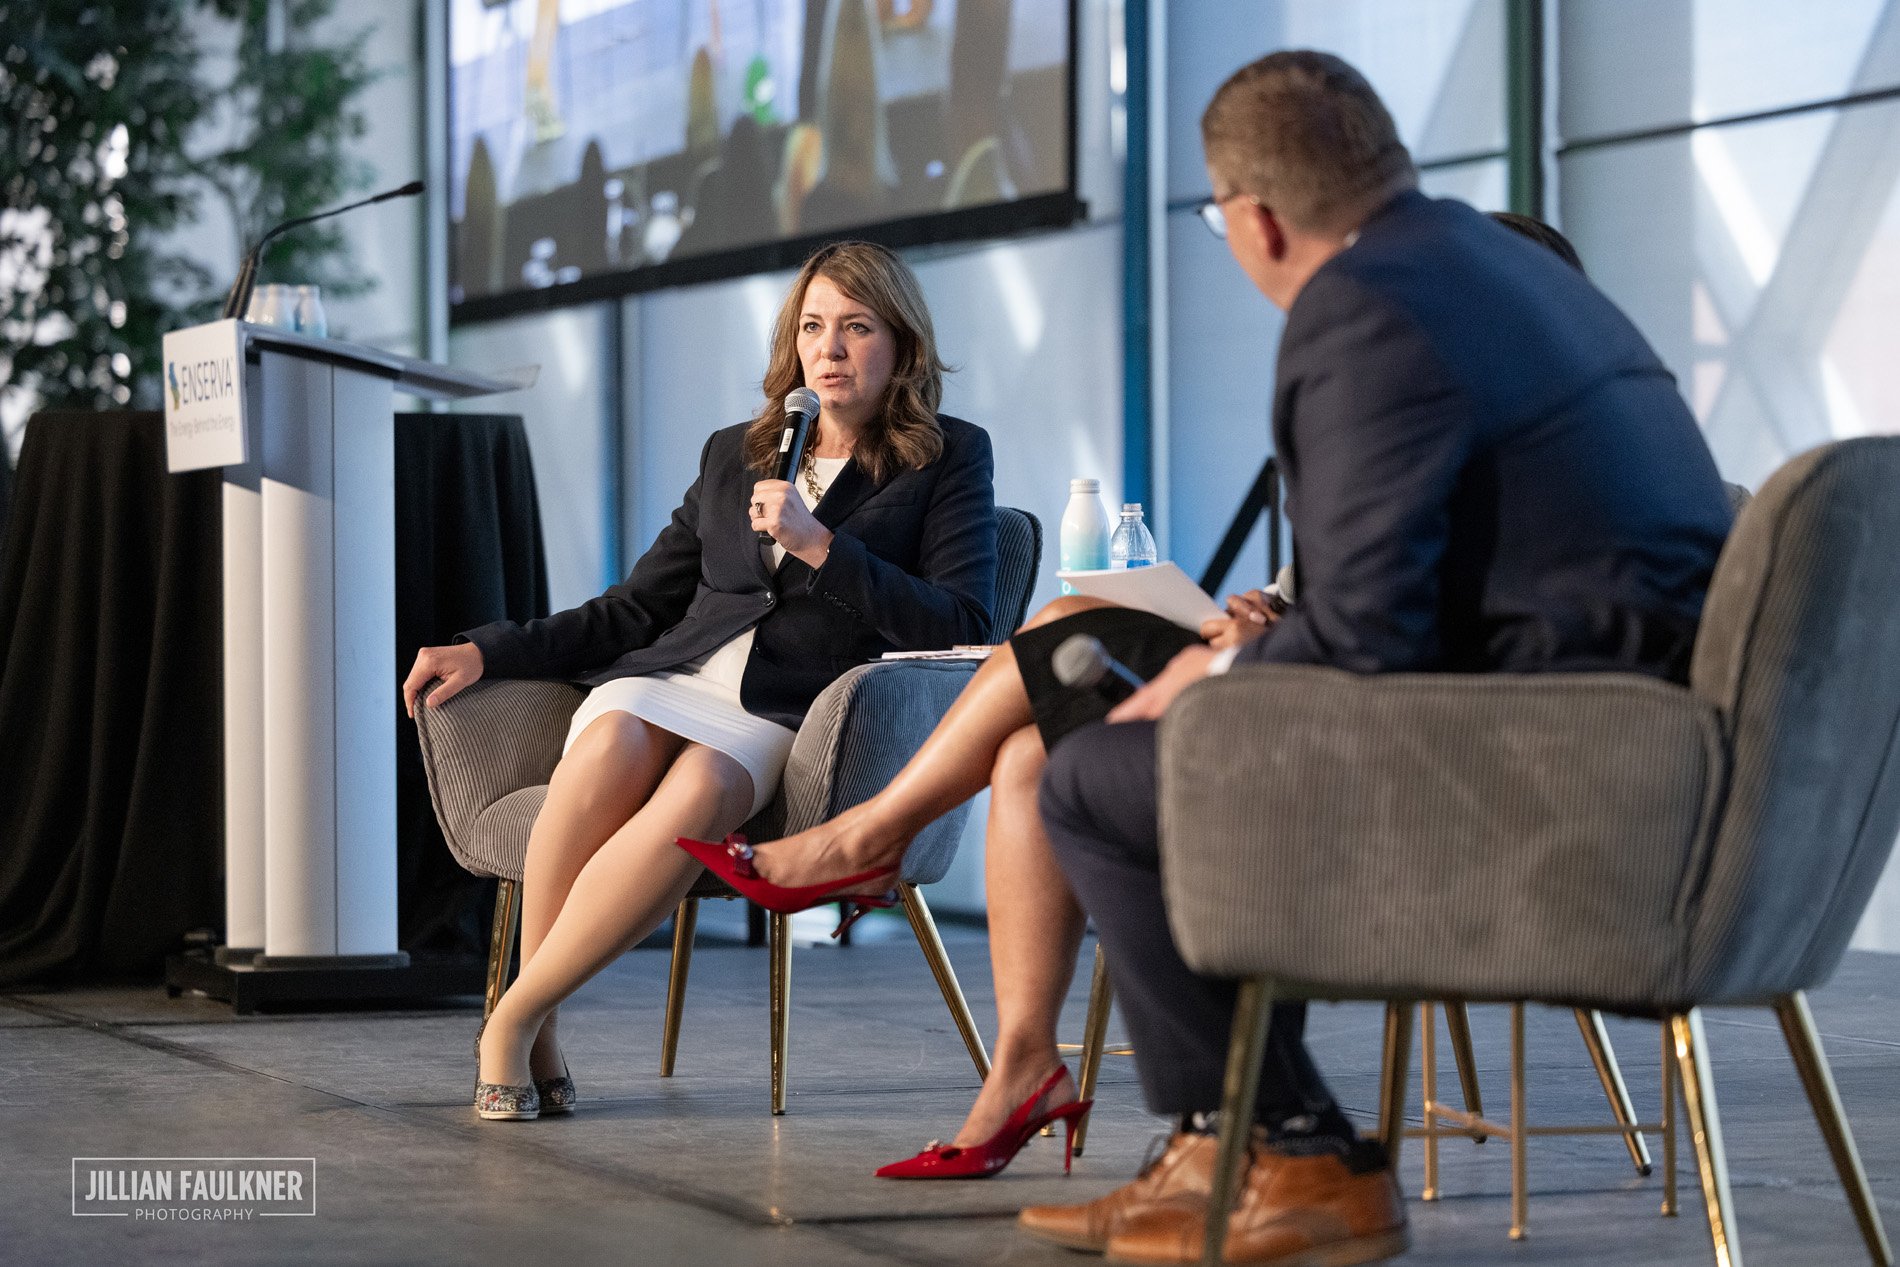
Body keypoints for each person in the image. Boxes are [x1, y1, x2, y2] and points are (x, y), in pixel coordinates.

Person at [1017, 51, 1732, 1266]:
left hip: (1558, 786)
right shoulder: (1507, 269)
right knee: (1215, 746)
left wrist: (1208, 679)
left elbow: (1363, 639)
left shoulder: (1363, 310)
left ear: (1257, 219)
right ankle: (1235, 1150)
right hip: (1659, 765)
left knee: (1094, 777)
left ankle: (1281, 1151)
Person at [403, 240, 998, 1121]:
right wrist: (491, 649)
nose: (830, 349)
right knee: (608, 740)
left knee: (701, 788)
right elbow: (636, 606)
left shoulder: (947, 457)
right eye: (813, 327)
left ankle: (514, 1016)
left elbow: (964, 621)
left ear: (903, 343)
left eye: (857, 327)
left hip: (786, 710)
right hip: (672, 677)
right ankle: (543, 1029)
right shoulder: (737, 452)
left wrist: (822, 546)